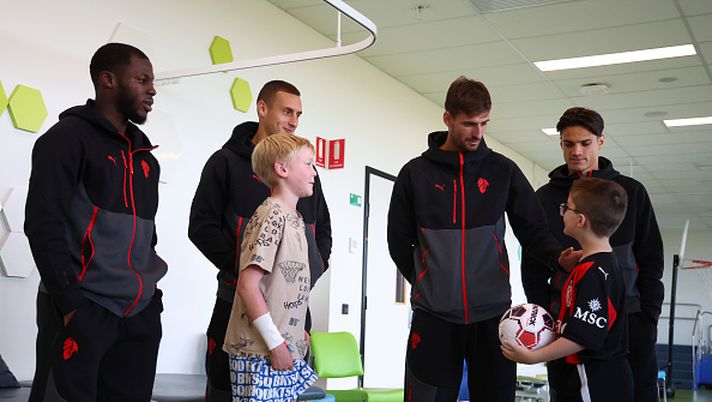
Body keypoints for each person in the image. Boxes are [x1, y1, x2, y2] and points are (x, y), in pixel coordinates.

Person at [387, 76, 579, 402]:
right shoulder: (415, 174)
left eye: (484, 123)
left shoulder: (503, 171)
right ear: (447, 119)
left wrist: (556, 258)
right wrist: (428, 282)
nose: (478, 133)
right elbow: (398, 241)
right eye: (469, 124)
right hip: (434, 318)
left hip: (494, 319)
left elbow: (532, 229)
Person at [25, 43, 166, 402]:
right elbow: (43, 225)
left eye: (152, 81)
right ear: (108, 80)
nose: (152, 89)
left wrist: (152, 301)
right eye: (141, 79)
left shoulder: (146, 158)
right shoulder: (65, 140)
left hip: (138, 315)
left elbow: (146, 238)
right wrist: (71, 303)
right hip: (84, 309)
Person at [188, 80, 332, 401]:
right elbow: (202, 227)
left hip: (292, 311)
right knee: (226, 392)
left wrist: (301, 280)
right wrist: (249, 271)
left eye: (298, 114)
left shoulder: (304, 176)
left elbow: (321, 231)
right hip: (236, 305)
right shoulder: (225, 163)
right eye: (286, 111)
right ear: (262, 108)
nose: (293, 120)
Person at [521, 107, 664, 402]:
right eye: (568, 143)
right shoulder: (545, 199)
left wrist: (648, 319)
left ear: (600, 141)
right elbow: (533, 268)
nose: (576, 151)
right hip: (567, 328)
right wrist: (544, 323)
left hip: (630, 324)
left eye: (585, 143)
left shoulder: (630, 192)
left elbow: (651, 260)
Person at [503, 178, 633, 402]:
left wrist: (533, 357)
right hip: (587, 375)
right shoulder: (594, 263)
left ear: (581, 220)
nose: (562, 212)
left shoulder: (594, 273)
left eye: (567, 207)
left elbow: (581, 337)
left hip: (594, 378)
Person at [223, 133, 319, 401]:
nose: (314, 172)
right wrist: (276, 343)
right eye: (309, 164)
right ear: (282, 169)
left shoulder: (295, 219)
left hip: (283, 348)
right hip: (261, 352)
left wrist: (297, 329)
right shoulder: (271, 215)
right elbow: (248, 285)